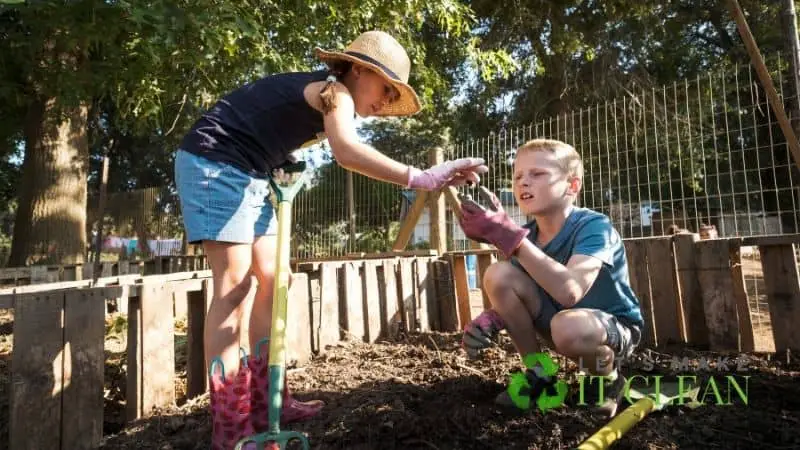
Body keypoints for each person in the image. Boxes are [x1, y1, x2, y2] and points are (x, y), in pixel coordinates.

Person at [174, 30, 488, 449]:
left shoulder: (329, 98)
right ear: (359, 70)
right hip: (213, 161)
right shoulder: (334, 92)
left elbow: (267, 121)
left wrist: (283, 160)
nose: (386, 102)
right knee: (236, 285)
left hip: (253, 171)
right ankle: (229, 425)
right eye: (386, 88)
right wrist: (422, 177)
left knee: (274, 277)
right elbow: (347, 151)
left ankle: (270, 399)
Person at [458, 138, 644, 418]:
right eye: (518, 175)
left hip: (608, 332)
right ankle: (540, 374)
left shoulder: (594, 226)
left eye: (538, 174)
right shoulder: (529, 235)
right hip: (559, 323)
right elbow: (515, 294)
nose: (523, 183)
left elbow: (570, 291)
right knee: (498, 273)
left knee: (567, 327)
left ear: (572, 186)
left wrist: (512, 239)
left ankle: (605, 378)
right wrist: (491, 320)